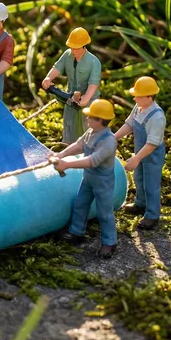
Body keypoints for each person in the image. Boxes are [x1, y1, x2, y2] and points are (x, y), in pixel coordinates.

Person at [51, 99, 119, 258]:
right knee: (80, 203)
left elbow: (91, 161)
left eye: (91, 117)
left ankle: (110, 242)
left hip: (103, 181)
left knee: (104, 212)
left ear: (101, 120)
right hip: (89, 178)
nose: (87, 119)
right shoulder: (91, 132)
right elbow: (78, 145)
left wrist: (66, 164)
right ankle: (76, 232)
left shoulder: (109, 141)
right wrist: (61, 154)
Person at [114, 76, 166, 231]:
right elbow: (129, 124)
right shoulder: (138, 107)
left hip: (152, 155)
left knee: (151, 185)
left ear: (149, 97)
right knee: (139, 178)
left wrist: (136, 159)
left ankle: (152, 215)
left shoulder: (157, 117)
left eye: (138, 95)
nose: (135, 98)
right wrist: (114, 136)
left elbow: (152, 144)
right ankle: (140, 203)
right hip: (140, 151)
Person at [41, 27, 102, 143]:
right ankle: (67, 146)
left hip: (89, 100)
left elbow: (93, 83)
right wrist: (48, 78)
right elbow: (58, 67)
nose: (73, 51)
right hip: (70, 97)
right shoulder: (67, 55)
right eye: (72, 48)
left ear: (84, 46)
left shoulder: (94, 62)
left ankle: (89, 149)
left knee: (87, 124)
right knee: (69, 122)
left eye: (77, 48)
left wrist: (86, 98)